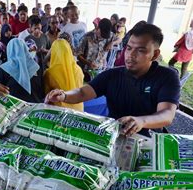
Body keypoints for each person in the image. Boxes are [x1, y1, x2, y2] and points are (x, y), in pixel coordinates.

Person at [45, 24, 180, 137]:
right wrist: (64, 95)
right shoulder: (112, 75)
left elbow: (167, 114)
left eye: (140, 50)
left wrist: (141, 121)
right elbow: (82, 93)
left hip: (149, 140)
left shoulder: (167, 77)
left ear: (155, 54)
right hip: (115, 135)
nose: (130, 55)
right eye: (129, 48)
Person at [0, 39, 43, 103]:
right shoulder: (36, 67)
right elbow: (41, 91)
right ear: (25, 49)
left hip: (14, 108)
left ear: (9, 51)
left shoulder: (4, 69)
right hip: (35, 107)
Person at [43, 39, 84, 111]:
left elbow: (48, 94)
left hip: (60, 110)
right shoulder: (78, 69)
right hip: (78, 109)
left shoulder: (50, 72)